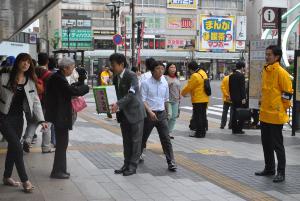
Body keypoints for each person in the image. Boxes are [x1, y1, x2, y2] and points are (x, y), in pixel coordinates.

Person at [0, 53, 48, 193]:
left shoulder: (30, 81)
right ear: (18, 62)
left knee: (13, 148)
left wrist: (42, 120)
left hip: (18, 119)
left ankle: (6, 177)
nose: (26, 64)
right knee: (17, 147)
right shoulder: (4, 78)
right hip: (3, 117)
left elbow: (36, 102)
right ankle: (25, 180)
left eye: (28, 62)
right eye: (23, 61)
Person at [45, 57, 89, 179]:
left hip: (59, 115)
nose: (73, 70)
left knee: (62, 144)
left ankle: (60, 169)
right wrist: (85, 87)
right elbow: (71, 91)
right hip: (60, 116)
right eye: (72, 68)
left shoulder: (58, 77)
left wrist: (80, 81)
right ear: (65, 68)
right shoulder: (58, 78)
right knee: (61, 144)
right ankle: (58, 171)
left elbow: (68, 89)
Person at [255, 45, 293, 183]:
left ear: (276, 57)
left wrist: (280, 108)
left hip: (276, 116)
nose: (266, 56)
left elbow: (287, 94)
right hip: (264, 114)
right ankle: (269, 168)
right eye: (266, 54)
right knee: (266, 143)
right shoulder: (266, 70)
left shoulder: (281, 73)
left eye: (269, 54)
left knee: (278, 145)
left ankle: (281, 172)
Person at [109, 53, 146, 176]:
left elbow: (131, 94)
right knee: (126, 141)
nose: (111, 67)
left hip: (135, 113)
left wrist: (118, 104)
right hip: (123, 114)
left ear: (121, 64)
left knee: (135, 141)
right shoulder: (115, 78)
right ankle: (126, 164)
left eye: (113, 65)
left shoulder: (132, 76)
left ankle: (132, 166)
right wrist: (110, 107)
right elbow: (115, 96)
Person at [141, 61, 177, 171]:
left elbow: (166, 99)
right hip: (149, 114)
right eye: (158, 68)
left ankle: (171, 161)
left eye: (162, 68)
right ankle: (138, 153)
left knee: (166, 138)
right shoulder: (146, 83)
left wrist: (167, 112)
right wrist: (150, 112)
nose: (160, 71)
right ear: (152, 70)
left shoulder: (164, 83)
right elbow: (143, 100)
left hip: (161, 114)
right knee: (143, 136)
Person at [22, 53, 53, 153]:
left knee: (33, 123)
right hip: (46, 103)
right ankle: (46, 147)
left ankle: (27, 140)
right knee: (47, 124)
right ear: (47, 61)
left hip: (33, 101)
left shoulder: (31, 71)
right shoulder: (48, 74)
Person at [181, 61, 209, 138]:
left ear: (191, 69)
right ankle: (203, 132)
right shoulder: (203, 72)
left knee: (198, 117)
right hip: (205, 98)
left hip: (198, 99)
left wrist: (182, 94)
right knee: (203, 116)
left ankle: (199, 133)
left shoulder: (195, 75)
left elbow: (189, 87)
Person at [229, 61, 246, 134]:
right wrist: (243, 98)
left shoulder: (231, 76)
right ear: (242, 67)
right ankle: (239, 129)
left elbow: (230, 88)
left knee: (234, 114)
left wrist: (231, 96)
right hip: (239, 98)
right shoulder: (241, 76)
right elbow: (242, 88)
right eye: (243, 68)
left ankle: (234, 129)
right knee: (241, 113)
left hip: (233, 98)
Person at [164, 63, 181, 139]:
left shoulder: (177, 78)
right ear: (168, 68)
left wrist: (179, 97)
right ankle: (164, 131)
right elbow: (162, 86)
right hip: (168, 100)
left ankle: (169, 132)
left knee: (174, 117)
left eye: (174, 67)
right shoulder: (165, 77)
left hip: (176, 100)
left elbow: (178, 88)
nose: (173, 69)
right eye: (171, 67)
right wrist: (168, 84)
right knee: (169, 115)